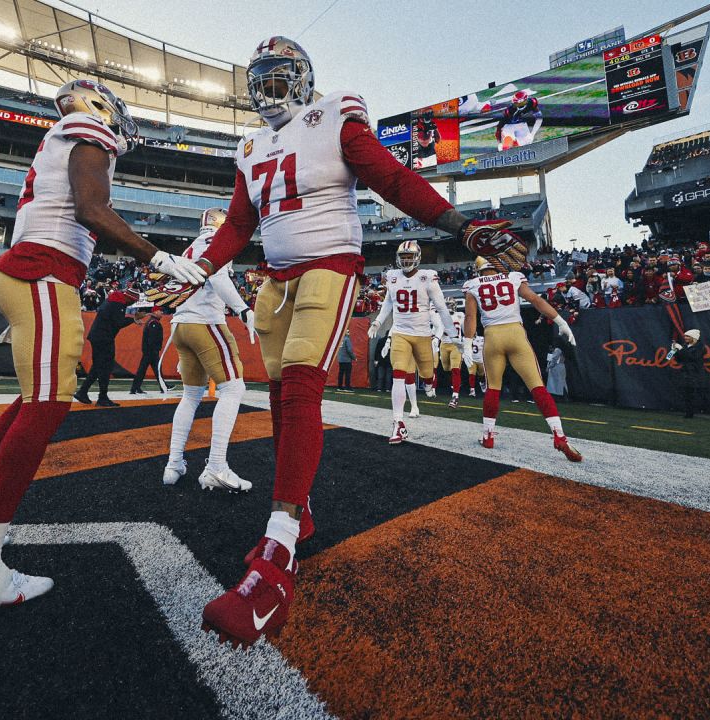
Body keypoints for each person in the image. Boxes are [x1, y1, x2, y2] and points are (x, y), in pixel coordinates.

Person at [146, 35, 529, 648]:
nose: (270, 90)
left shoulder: (334, 117)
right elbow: (240, 223)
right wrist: (191, 268)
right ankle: (297, 507)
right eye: (262, 79)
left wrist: (460, 227)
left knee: (299, 389)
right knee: (277, 396)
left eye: (281, 78)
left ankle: (277, 556)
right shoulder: (249, 147)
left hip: (330, 263)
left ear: (303, 79)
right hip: (276, 275)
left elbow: (393, 179)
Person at [0, 78, 206, 610]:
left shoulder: (63, 136)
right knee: (49, 405)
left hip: (31, 269)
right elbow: (91, 210)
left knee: (33, 400)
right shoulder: (89, 131)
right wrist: (159, 258)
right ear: (98, 108)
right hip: (44, 272)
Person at [162, 207, 255, 491]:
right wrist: (242, 309)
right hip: (205, 322)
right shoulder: (217, 243)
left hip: (180, 325)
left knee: (190, 396)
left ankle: (174, 464)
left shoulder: (192, 246)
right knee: (233, 388)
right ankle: (216, 466)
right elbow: (216, 277)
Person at [462, 256, 580, 454]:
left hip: (492, 337)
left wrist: (467, 343)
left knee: (493, 389)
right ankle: (559, 435)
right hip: (515, 334)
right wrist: (561, 322)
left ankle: (488, 436)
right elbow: (535, 300)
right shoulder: (513, 277)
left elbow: (470, 316)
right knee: (537, 386)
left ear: (478, 269)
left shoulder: (473, 284)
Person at [368, 240, 458, 444]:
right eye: (403, 257)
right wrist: (378, 322)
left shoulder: (427, 277)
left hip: (422, 335)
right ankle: (398, 424)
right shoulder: (391, 276)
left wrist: (451, 334)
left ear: (417, 257)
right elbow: (389, 302)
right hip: (400, 332)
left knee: (427, 375)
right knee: (398, 375)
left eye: (409, 256)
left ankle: (428, 383)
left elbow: (442, 308)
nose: (406, 260)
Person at [75, 285, 139, 407]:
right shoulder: (118, 304)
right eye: (134, 301)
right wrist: (133, 320)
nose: (133, 303)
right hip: (104, 338)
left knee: (98, 365)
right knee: (106, 367)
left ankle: (83, 392)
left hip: (98, 336)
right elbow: (118, 322)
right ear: (130, 298)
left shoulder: (112, 300)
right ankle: (102, 397)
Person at [668, 329, 710, 421]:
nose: (685, 338)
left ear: (694, 338)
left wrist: (681, 349)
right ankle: (689, 414)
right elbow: (679, 360)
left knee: (704, 396)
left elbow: (693, 357)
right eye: (685, 336)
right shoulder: (685, 346)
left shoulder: (700, 347)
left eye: (688, 336)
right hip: (687, 374)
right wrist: (674, 351)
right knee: (687, 395)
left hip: (697, 375)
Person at [128, 304, 164, 395]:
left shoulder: (151, 321)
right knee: (154, 369)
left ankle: (135, 388)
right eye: (160, 311)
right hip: (151, 351)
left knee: (145, 370)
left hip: (149, 351)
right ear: (155, 312)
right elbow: (152, 338)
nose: (162, 313)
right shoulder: (154, 323)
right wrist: (155, 349)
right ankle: (164, 386)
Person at [439, 300, 465, 407]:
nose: (448, 307)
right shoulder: (440, 316)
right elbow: (438, 330)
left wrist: (465, 344)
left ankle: (455, 396)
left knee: (455, 369)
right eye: (447, 305)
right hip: (444, 345)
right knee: (446, 368)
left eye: (450, 305)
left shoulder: (460, 315)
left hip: (456, 345)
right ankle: (455, 384)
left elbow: (465, 330)